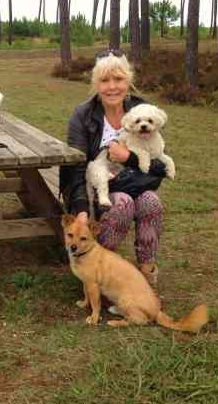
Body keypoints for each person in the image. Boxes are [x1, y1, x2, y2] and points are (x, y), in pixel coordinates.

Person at [59, 49, 168, 288]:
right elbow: (75, 165)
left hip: (135, 183)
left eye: (118, 79)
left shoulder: (142, 111)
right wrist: (80, 208)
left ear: (128, 81)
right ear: (96, 84)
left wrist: (128, 157)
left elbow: (159, 167)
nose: (112, 87)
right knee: (122, 204)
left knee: (151, 201)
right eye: (104, 80)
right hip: (94, 187)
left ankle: (146, 271)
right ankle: (95, 270)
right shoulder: (83, 115)